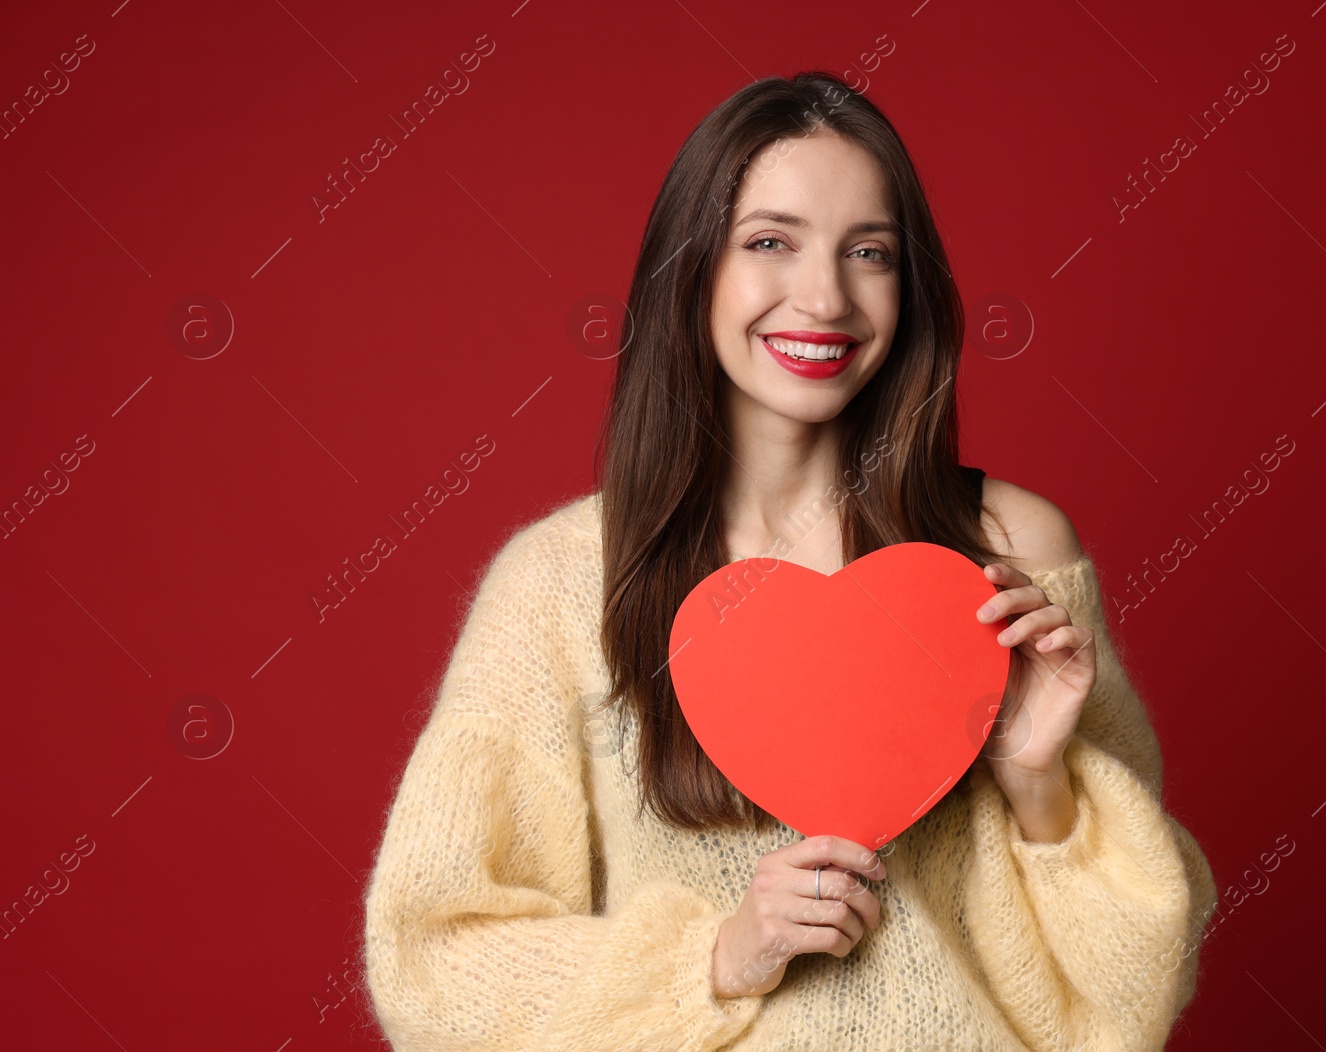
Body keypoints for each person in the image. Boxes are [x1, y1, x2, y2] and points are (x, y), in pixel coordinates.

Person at [362, 71, 1217, 1051]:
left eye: (870, 253)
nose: (824, 296)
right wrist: (714, 960)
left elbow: (1134, 988)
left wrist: (1038, 785)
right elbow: (433, 959)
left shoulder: (1010, 552)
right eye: (770, 241)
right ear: (692, 269)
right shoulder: (558, 585)